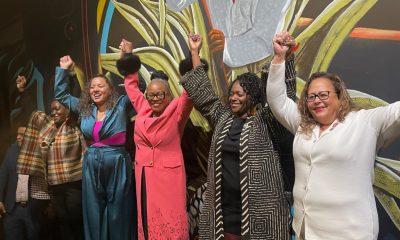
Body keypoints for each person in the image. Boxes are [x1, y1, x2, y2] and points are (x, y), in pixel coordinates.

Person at [266, 32, 400, 240]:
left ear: (340, 97)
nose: (316, 101)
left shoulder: (365, 122)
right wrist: (279, 58)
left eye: (323, 95)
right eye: (311, 96)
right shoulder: (303, 125)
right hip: (305, 230)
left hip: (349, 233)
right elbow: (277, 101)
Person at [179, 33, 296, 239]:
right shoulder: (223, 118)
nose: (233, 98)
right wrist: (195, 52)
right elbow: (203, 92)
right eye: (231, 93)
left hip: (259, 213)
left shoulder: (266, 121)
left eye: (239, 94)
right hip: (224, 211)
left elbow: (280, 96)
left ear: (253, 96)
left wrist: (282, 57)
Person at [54, 55, 137, 240]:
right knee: (93, 211)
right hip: (91, 164)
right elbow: (61, 95)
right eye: (92, 87)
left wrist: (128, 58)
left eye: (100, 86)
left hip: (117, 163)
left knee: (118, 212)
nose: (95, 89)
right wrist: (63, 70)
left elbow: (135, 91)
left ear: (110, 89)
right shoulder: (85, 109)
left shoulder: (121, 105)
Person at [117, 39, 193, 240]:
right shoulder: (143, 108)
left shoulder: (177, 110)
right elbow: (132, 87)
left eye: (160, 94)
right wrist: (127, 56)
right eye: (151, 95)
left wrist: (194, 53)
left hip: (169, 178)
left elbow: (190, 91)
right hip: (144, 177)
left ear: (168, 95)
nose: (155, 99)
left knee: (171, 226)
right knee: (149, 226)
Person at [15, 74, 84, 240]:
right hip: (54, 185)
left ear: (67, 109)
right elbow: (33, 112)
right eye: (51, 109)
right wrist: (23, 92)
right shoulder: (48, 125)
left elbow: (76, 100)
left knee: (77, 222)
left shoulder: (73, 122)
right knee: (64, 223)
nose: (53, 112)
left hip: (73, 184)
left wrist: (72, 78)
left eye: (57, 108)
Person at [0, 126, 38, 240]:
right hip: (12, 209)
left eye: (22, 134)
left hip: (32, 209)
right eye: (17, 134)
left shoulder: (39, 152)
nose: (18, 137)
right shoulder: (11, 151)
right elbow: (2, 176)